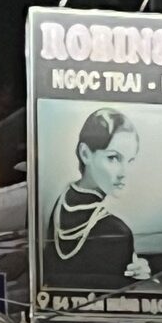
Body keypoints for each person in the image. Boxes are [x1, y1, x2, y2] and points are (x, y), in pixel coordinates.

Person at [43, 107, 150, 283]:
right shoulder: (117, 232)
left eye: (129, 161)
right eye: (113, 158)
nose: (124, 172)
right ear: (85, 154)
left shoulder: (61, 202)